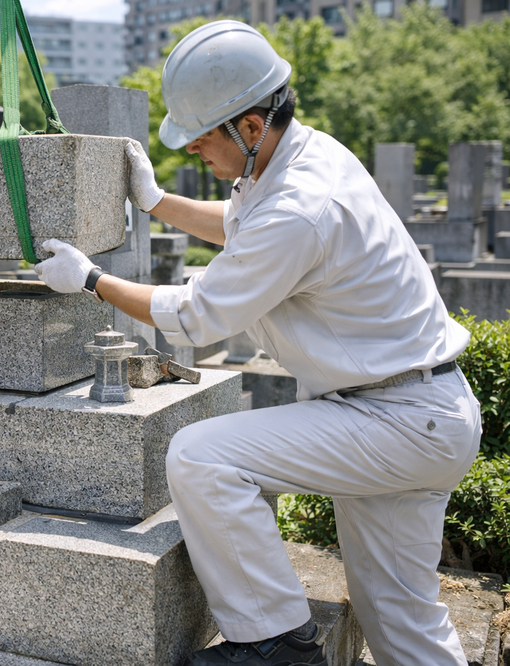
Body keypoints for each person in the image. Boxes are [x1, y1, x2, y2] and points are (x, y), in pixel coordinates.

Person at [34, 21, 480, 666]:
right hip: (420, 411)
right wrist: (157, 202)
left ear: (248, 125)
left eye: (199, 138)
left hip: (394, 418)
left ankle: (275, 644)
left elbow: (198, 315)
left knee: (202, 456)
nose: (193, 152)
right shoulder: (303, 157)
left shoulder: (300, 205)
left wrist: (92, 280)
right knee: (398, 616)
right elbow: (245, 224)